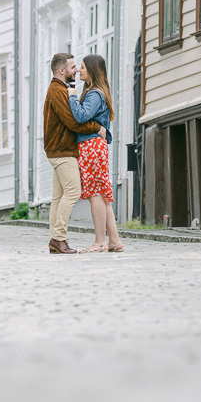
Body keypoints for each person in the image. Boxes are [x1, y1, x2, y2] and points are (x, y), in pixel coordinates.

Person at [44, 53, 104, 254]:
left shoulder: (58, 89)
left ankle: (55, 240)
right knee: (73, 193)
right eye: (72, 67)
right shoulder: (58, 91)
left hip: (56, 150)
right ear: (62, 71)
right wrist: (96, 127)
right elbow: (73, 121)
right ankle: (59, 238)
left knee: (58, 196)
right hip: (62, 151)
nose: (76, 70)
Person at [67, 54, 123, 253]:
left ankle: (100, 241)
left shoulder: (94, 94)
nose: (79, 71)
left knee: (95, 195)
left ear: (91, 69)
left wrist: (72, 95)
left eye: (82, 67)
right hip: (96, 146)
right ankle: (114, 240)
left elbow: (81, 116)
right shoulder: (98, 92)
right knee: (102, 196)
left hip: (90, 146)